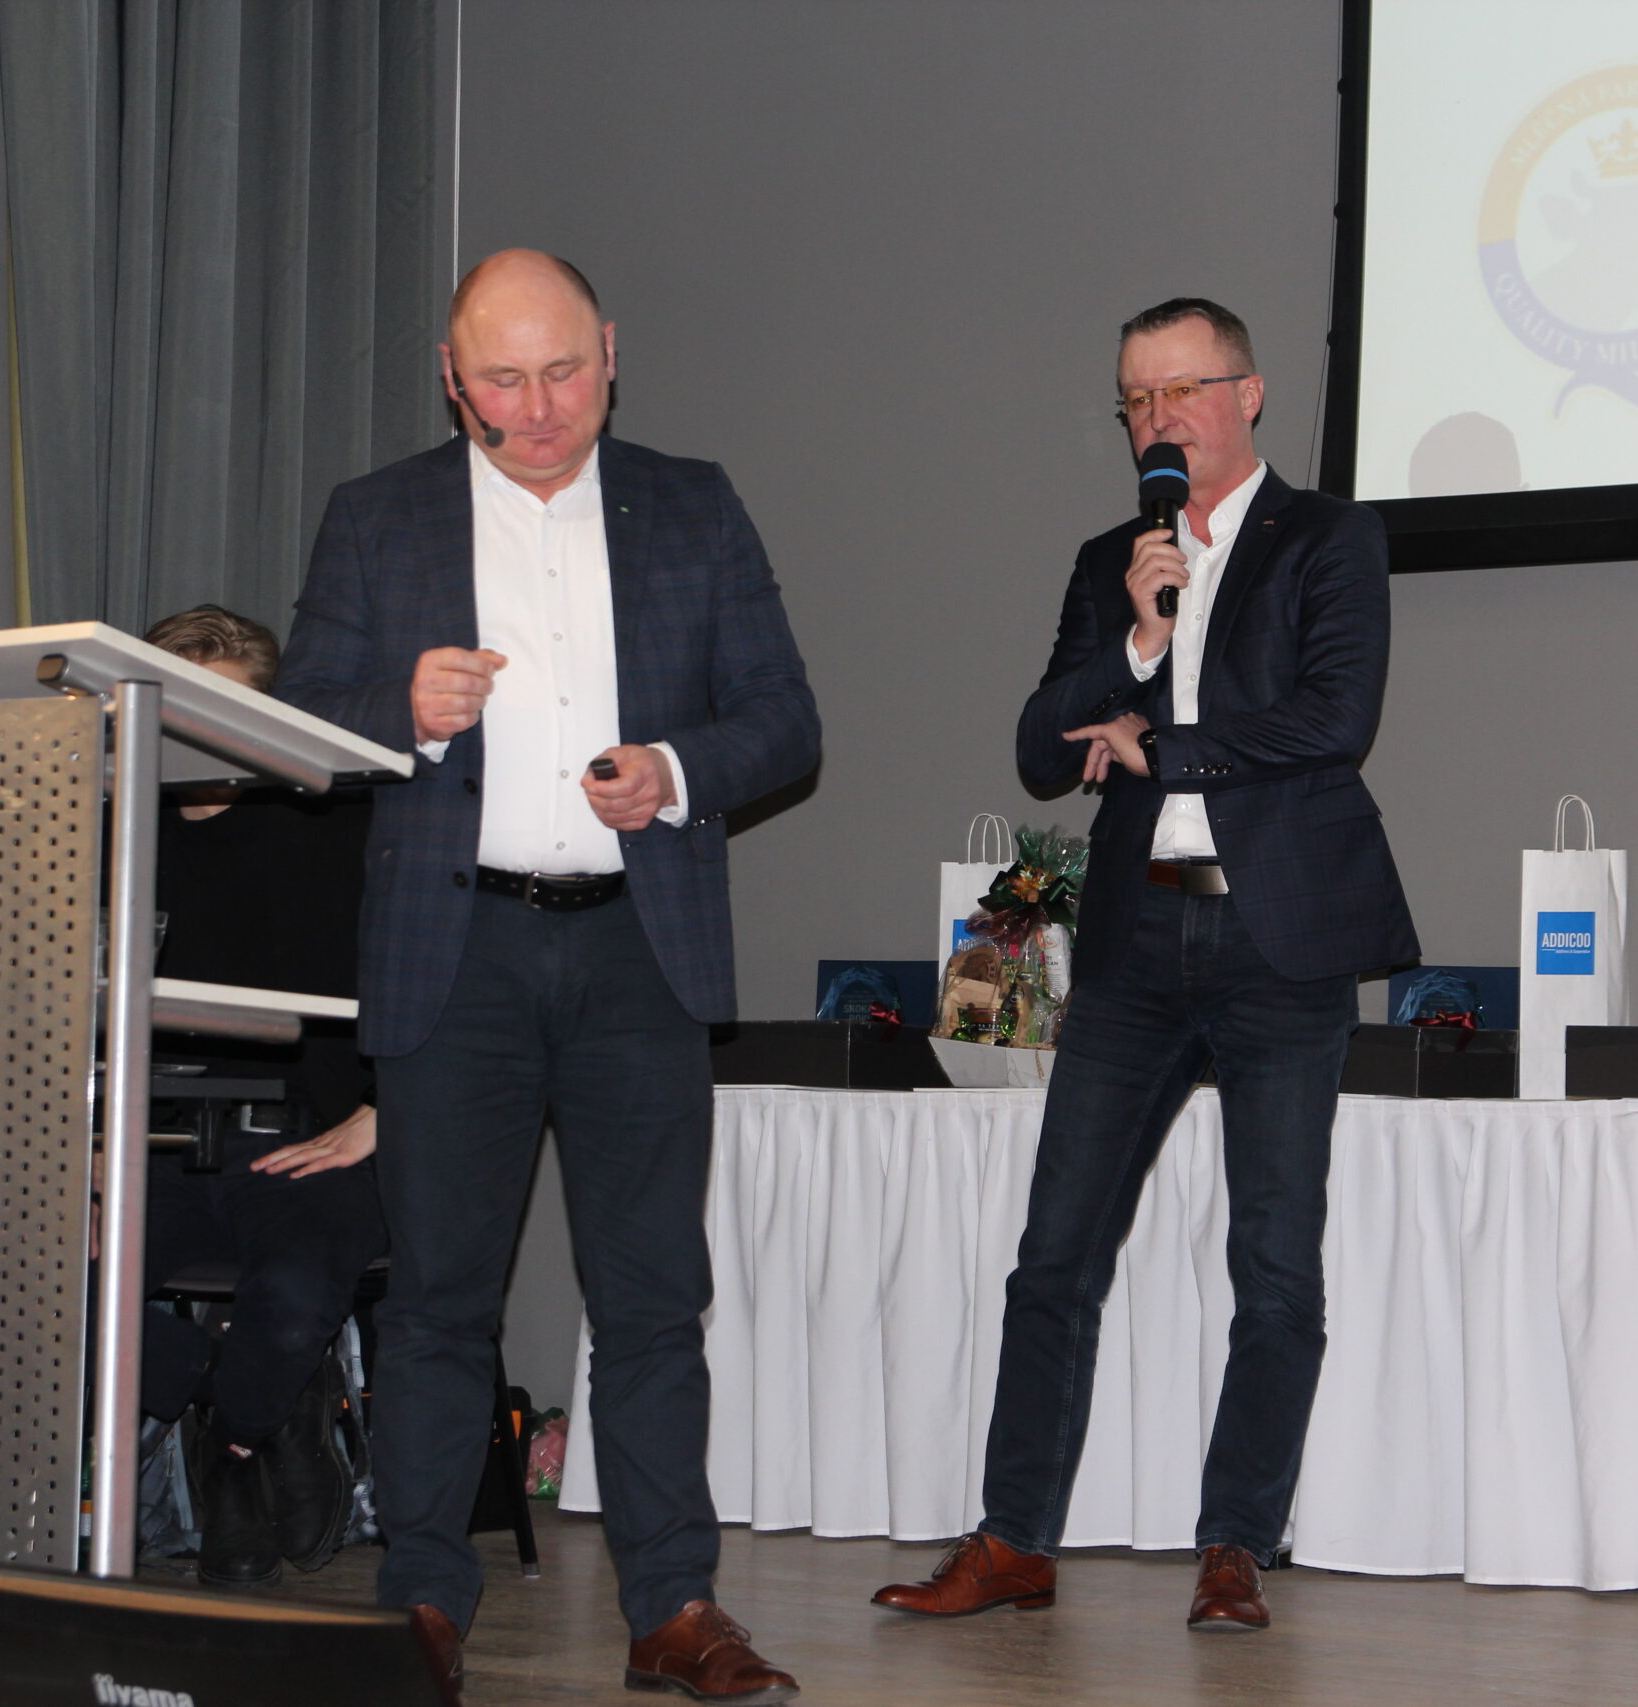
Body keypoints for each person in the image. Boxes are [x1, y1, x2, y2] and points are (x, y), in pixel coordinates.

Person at [275, 250, 818, 1702]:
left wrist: (677, 770)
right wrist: (400, 710)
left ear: (611, 354)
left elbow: (785, 717)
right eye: (501, 381)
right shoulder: (378, 515)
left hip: (638, 945)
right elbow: (299, 721)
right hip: (456, 956)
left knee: (652, 1298)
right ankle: (422, 1604)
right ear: (452, 381)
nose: (535, 408)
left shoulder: (692, 502)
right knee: (438, 1301)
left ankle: (674, 1606)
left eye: (562, 371)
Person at [873, 298, 1417, 1633]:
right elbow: (1037, 748)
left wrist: (1164, 745)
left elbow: (1334, 718)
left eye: (1180, 391)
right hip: (1134, 943)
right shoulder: (1113, 563)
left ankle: (1236, 1542)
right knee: (1053, 1253)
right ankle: (1012, 1538)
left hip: (1277, 940)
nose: (1156, 421)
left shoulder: (1329, 538)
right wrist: (1136, 643)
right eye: (1135, 400)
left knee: (1273, 1260)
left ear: (1249, 394)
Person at [136, 604, 388, 1591]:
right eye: (185, 709)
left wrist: (385, 1111)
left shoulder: (336, 823)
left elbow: (440, 972)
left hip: (305, 1135)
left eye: (229, 711)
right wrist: (86, 1140)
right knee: (28, 1285)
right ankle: (248, 1415)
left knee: (291, 1299)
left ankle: (233, 1445)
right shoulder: (109, 827)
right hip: (150, 1140)